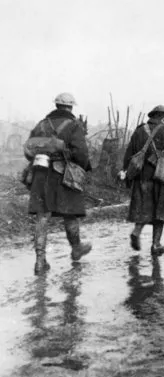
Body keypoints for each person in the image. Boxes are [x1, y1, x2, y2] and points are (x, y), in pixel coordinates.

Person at [24, 92, 93, 274]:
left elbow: (28, 150)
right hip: (63, 175)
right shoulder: (74, 126)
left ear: (56, 106)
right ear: (70, 107)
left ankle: (40, 262)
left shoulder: (42, 124)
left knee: (42, 217)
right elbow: (81, 154)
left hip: (40, 174)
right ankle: (76, 248)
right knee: (70, 213)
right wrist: (84, 167)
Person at [121, 105, 164, 256]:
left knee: (145, 208)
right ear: (163, 117)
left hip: (141, 178)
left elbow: (129, 154)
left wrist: (126, 173)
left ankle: (137, 233)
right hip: (160, 177)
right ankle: (156, 245)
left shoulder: (139, 131)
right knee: (160, 211)